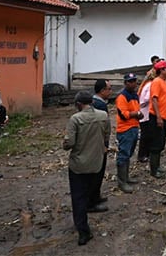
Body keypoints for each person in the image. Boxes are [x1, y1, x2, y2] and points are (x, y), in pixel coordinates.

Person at [63, 91, 110, 246]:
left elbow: (69, 143)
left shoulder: (75, 119)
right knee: (90, 191)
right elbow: (107, 136)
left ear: (78, 104)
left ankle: (83, 231)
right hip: (96, 163)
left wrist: (65, 143)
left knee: (78, 198)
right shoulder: (103, 115)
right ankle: (90, 209)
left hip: (79, 165)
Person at [115, 73, 143, 192]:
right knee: (123, 154)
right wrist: (136, 114)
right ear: (125, 83)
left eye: (134, 81)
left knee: (129, 153)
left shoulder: (134, 95)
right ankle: (122, 182)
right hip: (125, 129)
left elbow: (136, 110)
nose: (133, 83)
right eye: (130, 81)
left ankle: (126, 177)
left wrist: (138, 114)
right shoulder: (122, 96)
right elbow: (124, 114)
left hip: (134, 127)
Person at [148, 60, 166, 178]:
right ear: (161, 70)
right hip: (157, 117)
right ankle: (154, 170)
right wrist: (158, 117)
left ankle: (157, 166)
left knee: (161, 143)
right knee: (156, 144)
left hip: (164, 116)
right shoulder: (157, 82)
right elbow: (154, 99)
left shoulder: (164, 82)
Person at [90, 79, 113, 205]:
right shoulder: (100, 105)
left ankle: (96, 196)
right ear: (102, 90)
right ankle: (93, 199)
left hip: (95, 142)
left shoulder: (94, 102)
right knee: (98, 171)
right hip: (99, 143)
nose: (110, 91)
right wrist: (104, 144)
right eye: (109, 89)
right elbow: (103, 127)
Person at [136, 69, 156, 162]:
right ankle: (142, 154)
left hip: (144, 111)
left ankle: (145, 153)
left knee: (146, 134)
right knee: (145, 135)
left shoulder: (146, 84)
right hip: (146, 113)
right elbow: (147, 98)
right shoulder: (151, 84)